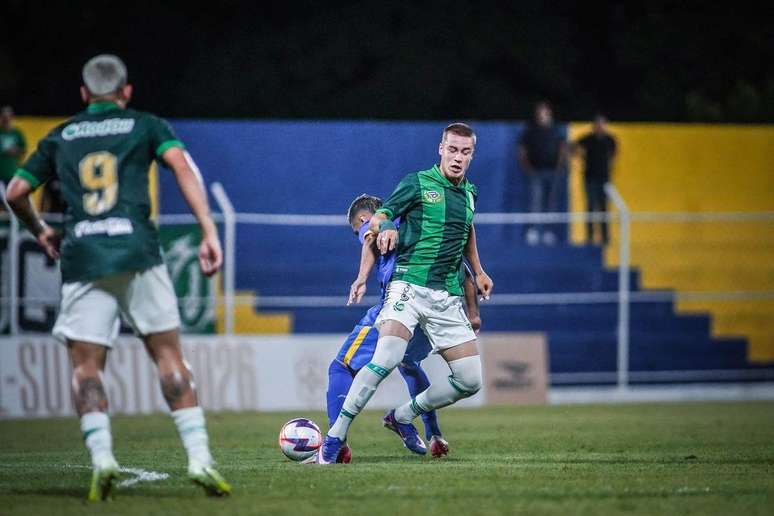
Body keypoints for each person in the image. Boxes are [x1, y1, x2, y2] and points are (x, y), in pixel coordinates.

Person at [5, 55, 231, 500]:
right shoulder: (145, 125)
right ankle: (200, 459)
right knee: (168, 357)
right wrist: (208, 229)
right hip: (138, 252)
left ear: (84, 94)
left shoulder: (61, 135)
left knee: (86, 368)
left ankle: (103, 458)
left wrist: (42, 231)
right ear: (126, 92)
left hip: (84, 256)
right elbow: (182, 167)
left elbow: (14, 191)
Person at [317, 123, 494, 464]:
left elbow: (466, 230)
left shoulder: (470, 195)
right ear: (440, 149)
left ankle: (402, 416)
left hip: (446, 298)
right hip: (407, 289)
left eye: (465, 151)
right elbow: (380, 218)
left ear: (472, 154)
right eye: (452, 150)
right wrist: (382, 229)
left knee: (470, 381)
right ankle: (334, 438)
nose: (458, 157)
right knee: (389, 359)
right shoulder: (416, 183)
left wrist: (480, 271)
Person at [517, 101, 567, 246]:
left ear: (549, 113)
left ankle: (548, 232)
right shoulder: (530, 130)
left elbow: (562, 149)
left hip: (553, 171)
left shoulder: (556, 130)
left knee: (551, 203)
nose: (542, 114)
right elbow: (521, 150)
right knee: (535, 202)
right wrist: (527, 167)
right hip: (536, 171)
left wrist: (559, 166)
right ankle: (533, 231)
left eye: (544, 112)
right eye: (540, 112)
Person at [572, 115, 617, 245]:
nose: (599, 126)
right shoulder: (588, 139)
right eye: (597, 124)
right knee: (591, 207)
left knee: (603, 208)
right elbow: (573, 147)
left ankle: (605, 237)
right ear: (594, 125)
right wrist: (580, 156)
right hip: (590, 177)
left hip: (604, 177)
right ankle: (590, 237)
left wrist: (609, 165)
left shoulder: (610, 139)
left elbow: (614, 154)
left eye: (602, 124)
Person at [0, 106, 27, 186]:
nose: (6, 120)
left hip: (13, 173)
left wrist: (16, 151)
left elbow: (23, 151)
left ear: (12, 118)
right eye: (4, 117)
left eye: (8, 117)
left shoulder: (17, 133)